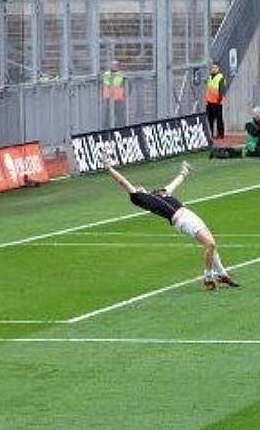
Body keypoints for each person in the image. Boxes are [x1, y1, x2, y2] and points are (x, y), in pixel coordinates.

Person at [100, 156, 240, 291]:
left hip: (189, 214)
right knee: (210, 244)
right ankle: (208, 277)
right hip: (182, 220)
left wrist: (184, 172)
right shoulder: (140, 198)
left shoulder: (160, 193)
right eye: (136, 187)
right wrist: (109, 168)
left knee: (211, 243)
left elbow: (175, 183)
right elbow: (122, 182)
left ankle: (222, 274)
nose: (138, 186)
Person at [102, 60, 127, 128]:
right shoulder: (107, 74)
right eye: (113, 65)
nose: (114, 67)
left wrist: (125, 94)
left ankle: (121, 127)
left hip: (118, 99)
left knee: (119, 115)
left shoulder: (122, 75)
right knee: (109, 114)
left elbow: (128, 86)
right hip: (110, 98)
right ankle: (106, 127)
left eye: (115, 66)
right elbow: (104, 85)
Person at [205, 62, 226, 140]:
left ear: (218, 68)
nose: (213, 69)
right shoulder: (210, 77)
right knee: (210, 118)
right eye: (212, 68)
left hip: (217, 102)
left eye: (215, 68)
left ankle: (220, 134)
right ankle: (210, 133)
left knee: (219, 118)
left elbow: (221, 90)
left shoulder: (221, 77)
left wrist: (219, 99)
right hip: (209, 101)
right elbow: (208, 89)